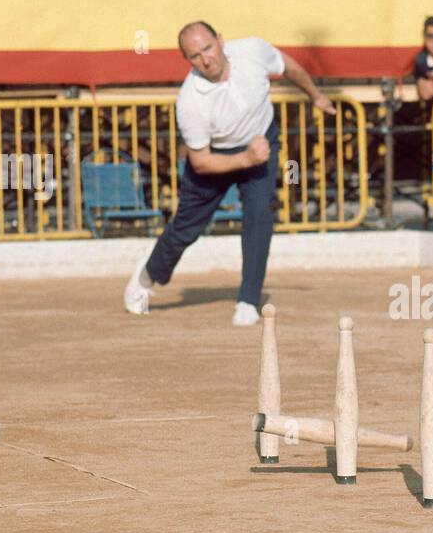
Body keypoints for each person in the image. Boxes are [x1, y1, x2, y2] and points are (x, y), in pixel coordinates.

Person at [123, 21, 335, 325]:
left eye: (208, 48)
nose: (206, 59)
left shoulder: (252, 50)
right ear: (188, 60)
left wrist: (315, 95)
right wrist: (245, 159)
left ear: (220, 41)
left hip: (259, 141)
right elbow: (201, 162)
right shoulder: (190, 101)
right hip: (215, 158)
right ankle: (147, 276)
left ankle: (248, 300)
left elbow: (287, 66)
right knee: (186, 228)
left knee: (259, 215)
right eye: (195, 55)